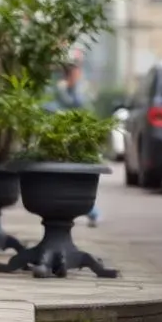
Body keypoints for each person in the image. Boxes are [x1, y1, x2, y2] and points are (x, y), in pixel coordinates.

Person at [52, 60, 101, 226]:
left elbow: (85, 107)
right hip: (63, 137)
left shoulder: (77, 88)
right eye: (76, 72)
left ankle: (91, 211)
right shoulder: (62, 89)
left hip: (77, 136)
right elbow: (67, 106)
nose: (78, 75)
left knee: (77, 175)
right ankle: (88, 211)